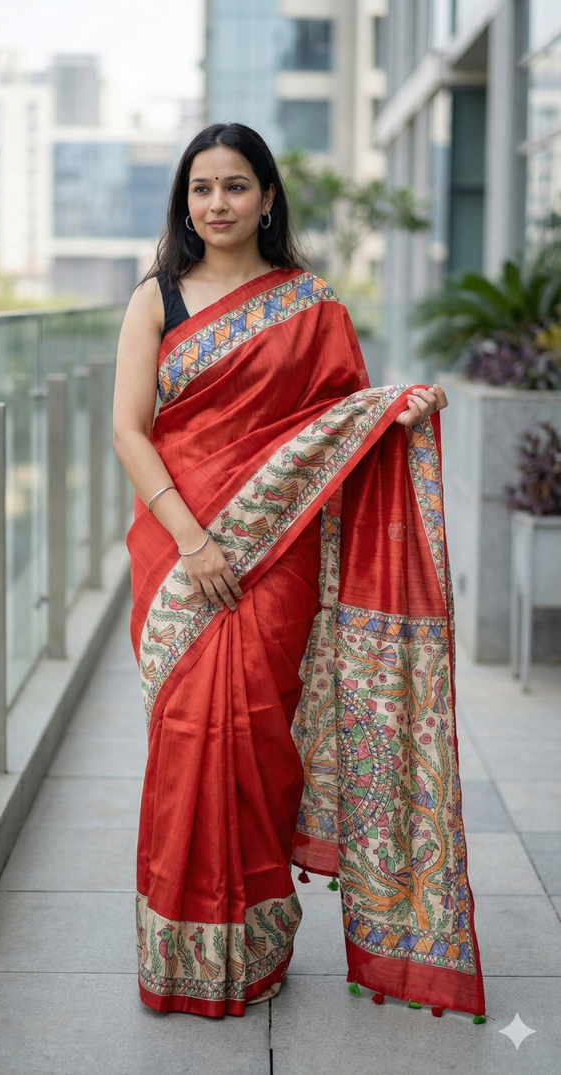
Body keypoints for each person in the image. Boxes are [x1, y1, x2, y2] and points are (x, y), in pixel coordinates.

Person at [113, 122, 485, 1019]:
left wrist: (395, 413)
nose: (218, 204)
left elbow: (336, 430)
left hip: (276, 555)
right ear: (185, 202)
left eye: (236, 186)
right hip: (179, 552)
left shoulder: (311, 304)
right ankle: (181, 953)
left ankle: (256, 943)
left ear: (268, 197)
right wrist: (194, 541)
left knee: (257, 733)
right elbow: (129, 429)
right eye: (202, 188)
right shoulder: (157, 299)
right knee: (188, 735)